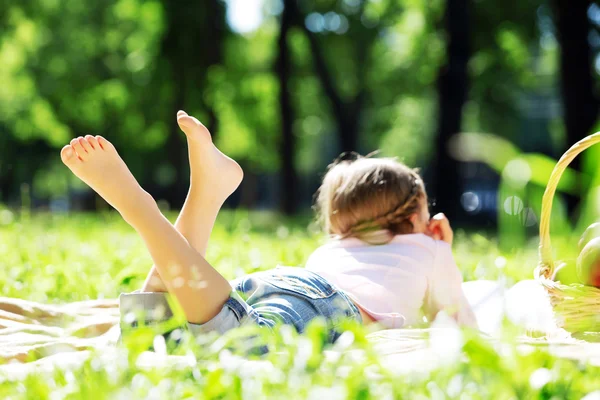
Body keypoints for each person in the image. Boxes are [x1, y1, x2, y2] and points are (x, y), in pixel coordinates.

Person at [59, 111, 475, 344]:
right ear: (416, 220)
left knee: (154, 333)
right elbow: (457, 324)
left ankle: (204, 197)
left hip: (277, 283)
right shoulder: (431, 249)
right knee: (236, 343)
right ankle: (143, 211)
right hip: (332, 305)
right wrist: (442, 249)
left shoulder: (332, 249)